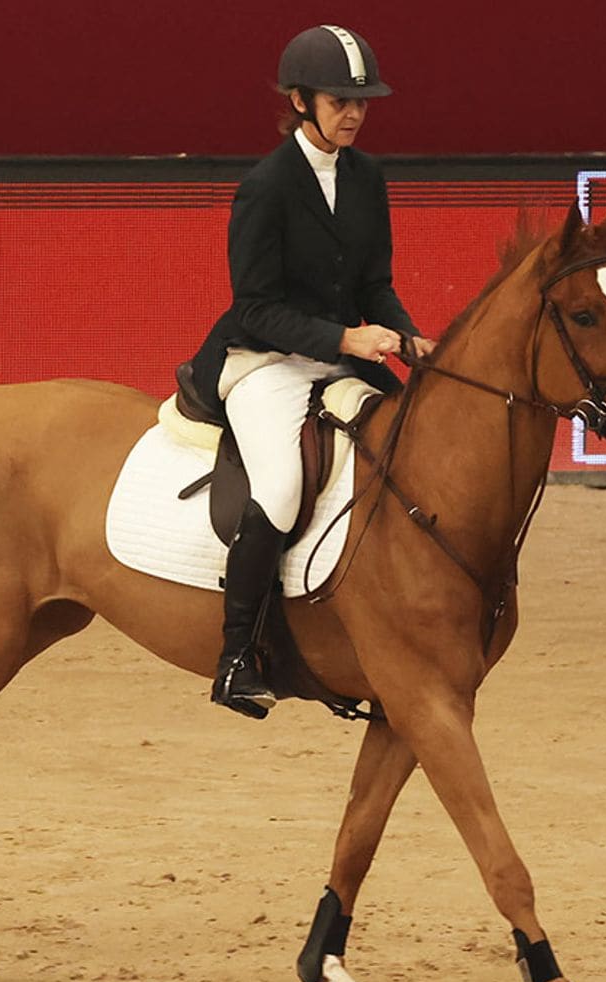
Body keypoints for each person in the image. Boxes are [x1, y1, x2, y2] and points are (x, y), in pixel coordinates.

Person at [187, 24, 436, 719]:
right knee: (284, 485)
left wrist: (408, 337)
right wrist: (347, 338)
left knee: (407, 448)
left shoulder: (367, 178)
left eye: (362, 102)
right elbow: (256, 307)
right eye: (338, 100)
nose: (353, 113)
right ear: (300, 101)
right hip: (266, 361)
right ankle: (236, 657)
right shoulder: (266, 187)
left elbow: (375, 282)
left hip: (340, 356)